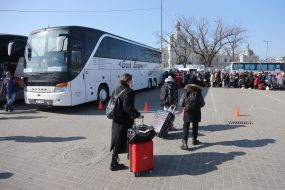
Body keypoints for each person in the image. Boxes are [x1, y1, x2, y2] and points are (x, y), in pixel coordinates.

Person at [109, 73, 141, 171]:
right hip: (125, 121)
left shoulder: (116, 89)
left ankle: (118, 159)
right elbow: (127, 108)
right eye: (131, 80)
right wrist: (137, 114)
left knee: (117, 139)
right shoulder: (129, 91)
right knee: (128, 138)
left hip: (116, 120)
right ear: (128, 81)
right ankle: (114, 163)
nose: (132, 82)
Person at [179, 83, 205, 150]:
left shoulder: (185, 93)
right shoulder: (199, 93)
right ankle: (194, 140)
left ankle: (184, 143)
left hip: (187, 113)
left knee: (186, 127)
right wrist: (196, 106)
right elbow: (202, 104)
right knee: (195, 126)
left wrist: (187, 106)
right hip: (196, 112)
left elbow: (181, 104)